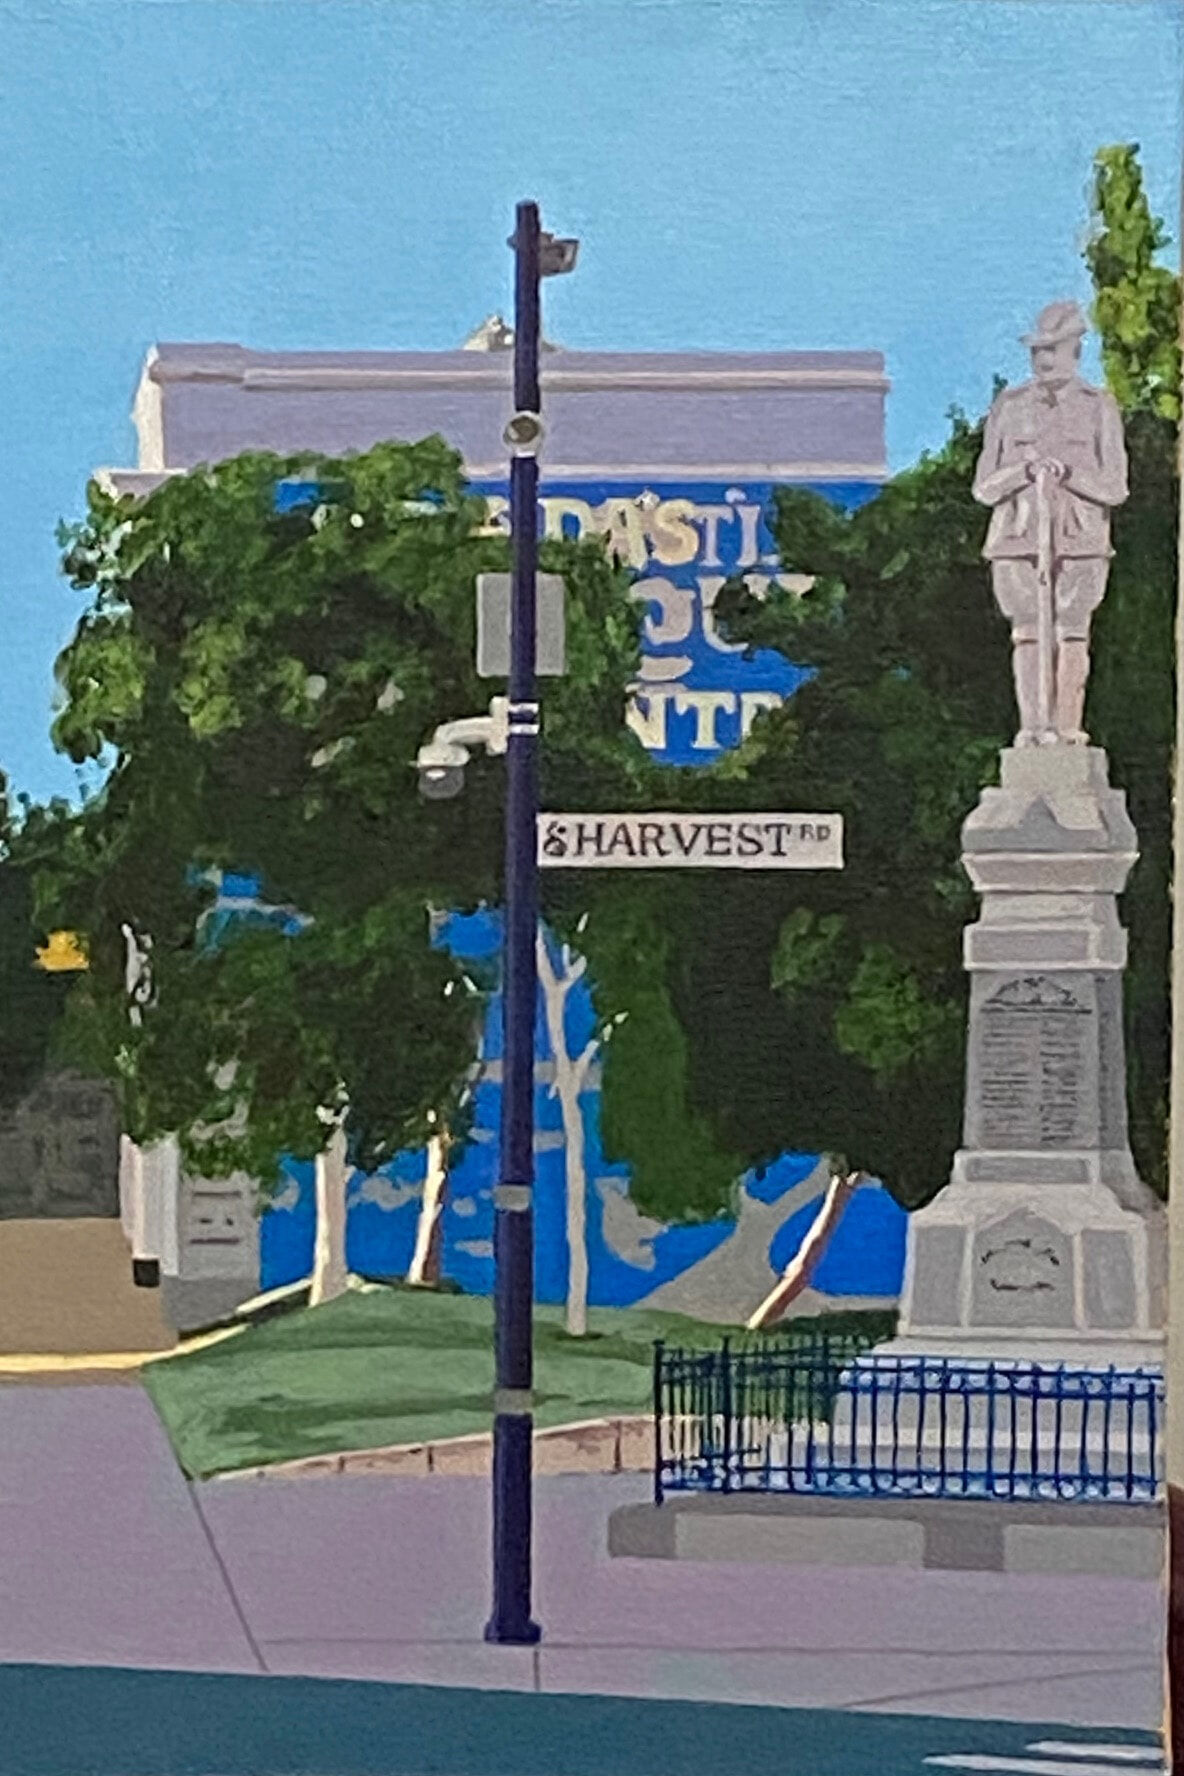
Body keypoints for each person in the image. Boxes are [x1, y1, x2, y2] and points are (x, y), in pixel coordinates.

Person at [972, 299, 1128, 746]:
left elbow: (1115, 487)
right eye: (1037, 350)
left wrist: (1070, 475)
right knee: (1026, 634)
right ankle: (1033, 728)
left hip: (1081, 540)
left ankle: (1067, 727)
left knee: (1073, 633)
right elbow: (984, 488)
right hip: (1017, 540)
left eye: (1053, 348)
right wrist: (1024, 472)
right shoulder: (1009, 406)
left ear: (1075, 350)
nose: (1043, 359)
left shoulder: (1099, 407)